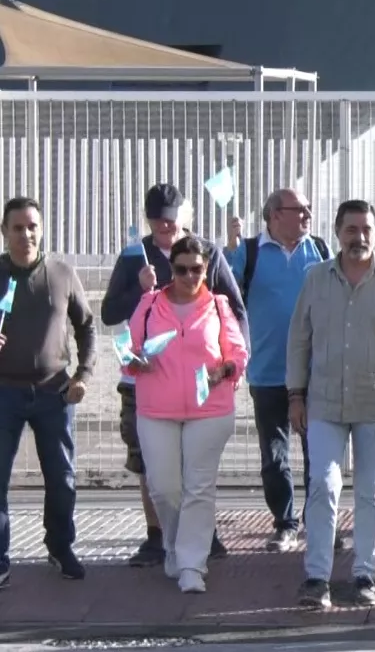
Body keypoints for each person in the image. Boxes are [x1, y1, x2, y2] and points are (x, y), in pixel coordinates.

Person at [288, 200, 375, 610]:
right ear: (337, 232)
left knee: (369, 492)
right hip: (325, 404)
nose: (359, 237)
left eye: (366, 229)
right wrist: (295, 394)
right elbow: (298, 340)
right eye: (351, 229)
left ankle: (365, 575)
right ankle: (316, 578)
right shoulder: (316, 279)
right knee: (323, 487)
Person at [100, 183, 245, 566]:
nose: (165, 226)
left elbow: (234, 307)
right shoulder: (135, 256)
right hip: (145, 381)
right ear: (147, 219)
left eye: (171, 219)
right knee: (152, 465)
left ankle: (202, 538)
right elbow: (110, 313)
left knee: (195, 468)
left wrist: (233, 365)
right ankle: (157, 536)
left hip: (200, 383)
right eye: (157, 219)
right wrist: (138, 287)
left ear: (185, 218)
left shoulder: (206, 254)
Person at [127, 235, 249, 593]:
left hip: (209, 409)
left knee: (198, 487)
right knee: (164, 488)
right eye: (181, 269)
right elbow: (127, 349)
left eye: (196, 269)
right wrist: (136, 361)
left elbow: (238, 354)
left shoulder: (218, 306)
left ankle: (192, 564)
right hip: (156, 408)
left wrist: (223, 371)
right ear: (171, 269)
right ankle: (172, 547)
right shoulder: (149, 305)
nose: (189, 276)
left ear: (206, 269)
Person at [226, 189, 333, 552]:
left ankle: (316, 522)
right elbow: (223, 291)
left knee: (317, 454)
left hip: (315, 373)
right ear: (274, 215)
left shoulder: (318, 249)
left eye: (308, 208)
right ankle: (284, 524)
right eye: (298, 209)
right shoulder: (250, 252)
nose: (306, 215)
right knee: (274, 455)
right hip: (267, 373)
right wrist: (229, 248)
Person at [0, 196, 95, 589]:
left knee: (62, 477)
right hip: (4, 393)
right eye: (18, 227)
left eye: (32, 226)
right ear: (4, 233)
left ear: (42, 229)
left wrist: (83, 374)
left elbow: (87, 326)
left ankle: (60, 546)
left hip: (55, 393)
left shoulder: (61, 273)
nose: (26, 234)